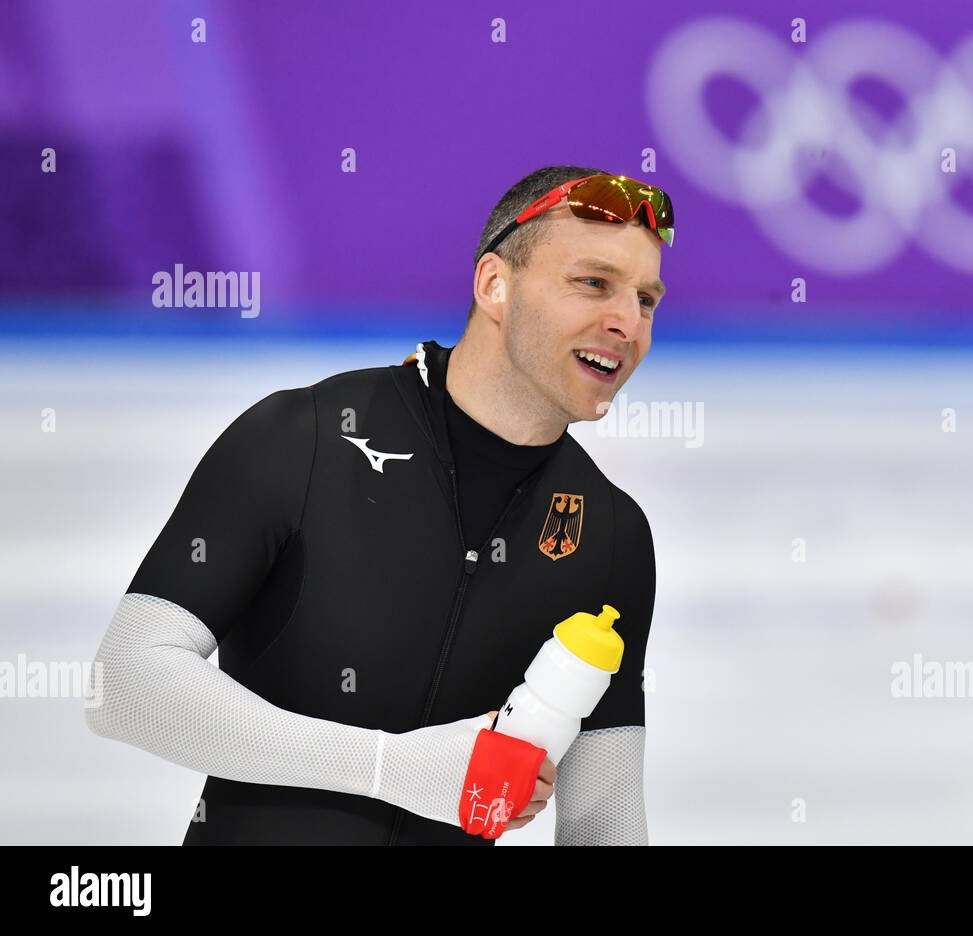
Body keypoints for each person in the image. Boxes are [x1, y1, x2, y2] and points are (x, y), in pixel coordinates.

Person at [84, 166, 673, 845]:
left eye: (647, 300)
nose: (627, 322)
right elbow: (125, 685)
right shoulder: (302, 438)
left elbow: (603, 818)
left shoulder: (610, 535)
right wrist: (388, 768)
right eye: (593, 283)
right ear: (494, 286)